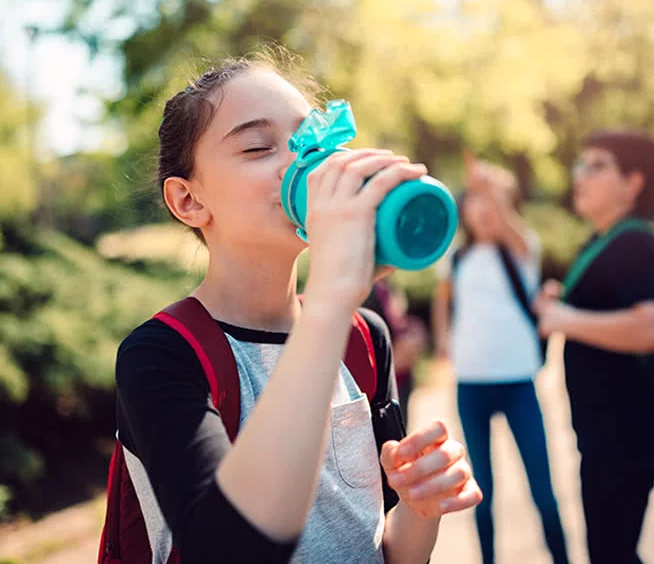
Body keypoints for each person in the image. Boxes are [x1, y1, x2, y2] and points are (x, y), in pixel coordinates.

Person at [114, 52, 482, 564]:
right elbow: (234, 549)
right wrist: (331, 299)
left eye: (313, 141)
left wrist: (421, 508)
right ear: (189, 200)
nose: (305, 165)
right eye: (259, 146)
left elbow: (387, 549)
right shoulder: (162, 355)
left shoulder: (362, 336)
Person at [533, 130, 654, 564]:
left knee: (611, 553)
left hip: (626, 437)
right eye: (582, 164)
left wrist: (564, 319)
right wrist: (564, 304)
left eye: (597, 165)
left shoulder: (635, 242)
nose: (581, 175)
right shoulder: (604, 241)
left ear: (633, 183)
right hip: (606, 435)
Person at [432, 152, 569, 564]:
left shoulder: (522, 250)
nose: (485, 208)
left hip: (517, 384)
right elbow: (443, 303)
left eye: (494, 200)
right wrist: (444, 341)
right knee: (482, 494)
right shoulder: (455, 258)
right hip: (471, 385)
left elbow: (506, 220)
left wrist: (488, 186)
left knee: (542, 491)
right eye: (476, 200)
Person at [362, 280, 428, 429]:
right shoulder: (366, 290)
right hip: (381, 391)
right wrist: (393, 360)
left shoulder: (385, 286)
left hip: (399, 382)